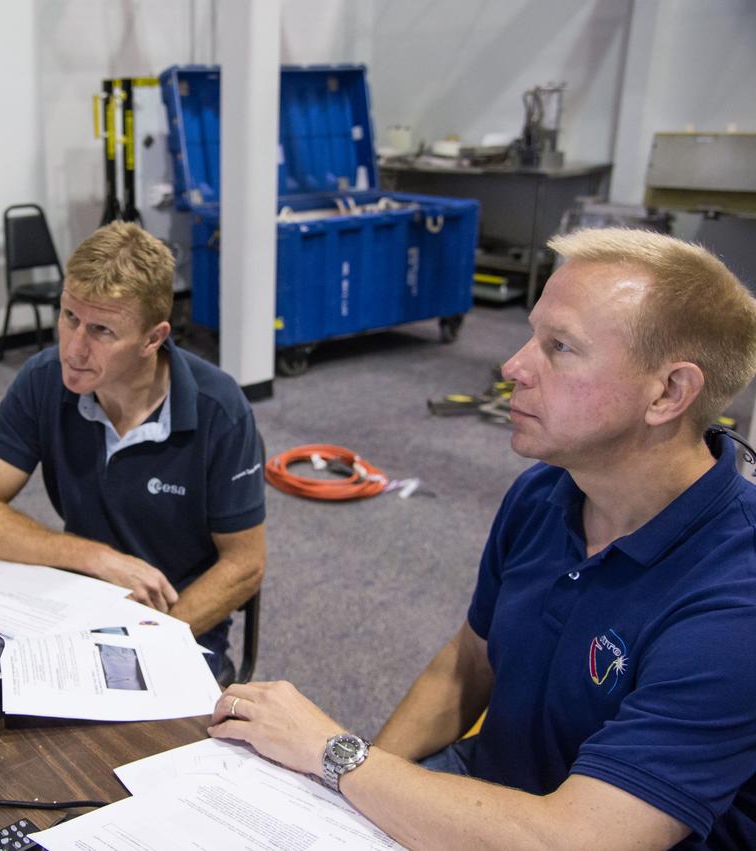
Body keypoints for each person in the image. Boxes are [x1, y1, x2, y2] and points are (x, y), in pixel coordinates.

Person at [210, 228, 756, 850]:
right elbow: (468, 661)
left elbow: (575, 841)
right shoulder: (545, 493)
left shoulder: (737, 601)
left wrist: (336, 755)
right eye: (531, 335)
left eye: (560, 347)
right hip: (491, 794)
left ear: (668, 393)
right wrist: (353, 793)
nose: (513, 365)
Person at [0, 221, 266, 681]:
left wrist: (151, 638)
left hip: (178, 622)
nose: (74, 348)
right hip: (74, 603)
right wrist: (95, 558)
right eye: (70, 317)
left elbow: (245, 564)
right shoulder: (44, 378)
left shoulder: (219, 410)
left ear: (153, 339)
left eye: (102, 331)